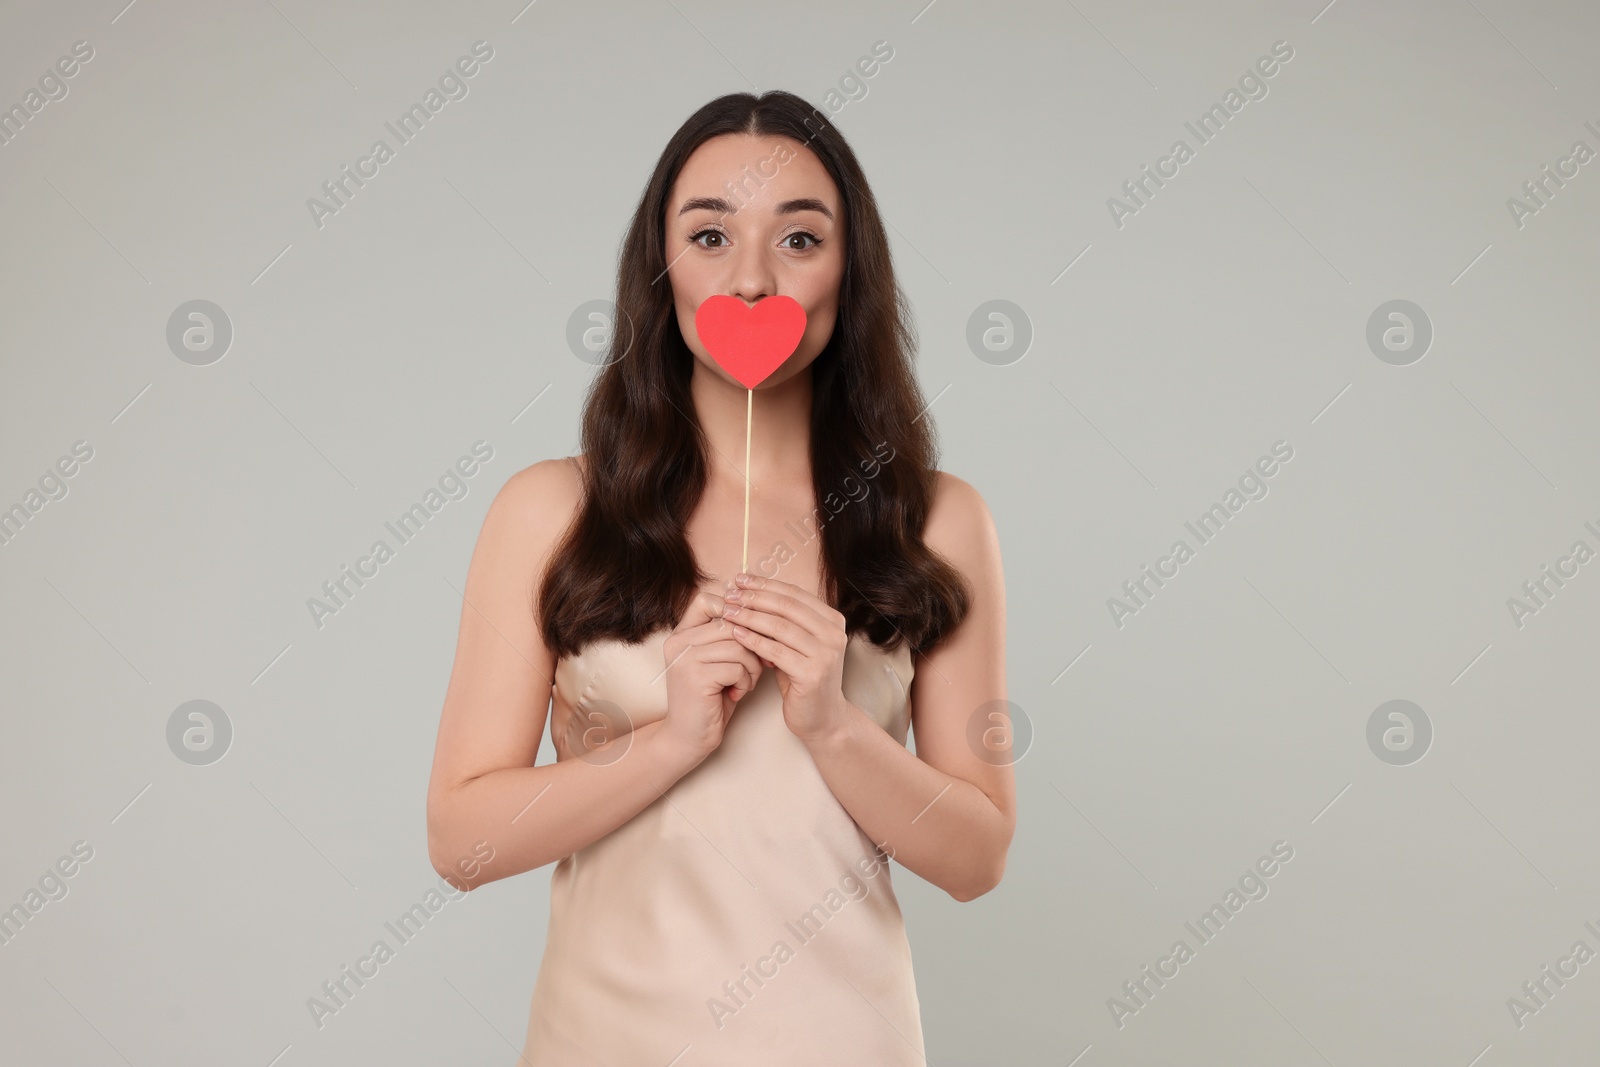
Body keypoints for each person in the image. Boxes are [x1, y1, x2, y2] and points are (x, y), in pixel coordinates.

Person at [425, 89, 1014, 1066]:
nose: (750, 278)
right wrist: (671, 739)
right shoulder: (549, 511)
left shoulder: (938, 520)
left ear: (848, 268)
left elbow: (977, 856)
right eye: (708, 236)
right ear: (660, 270)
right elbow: (460, 840)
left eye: (797, 239)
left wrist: (831, 723)